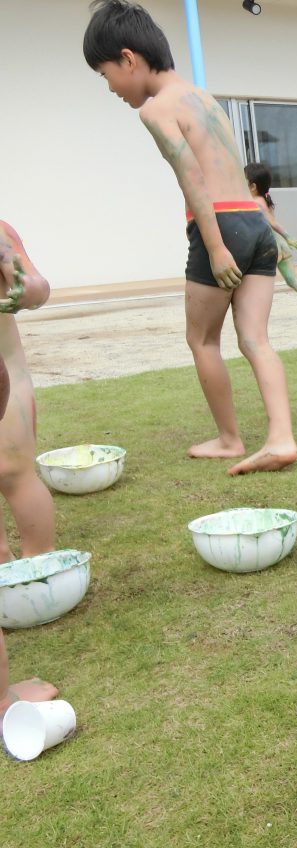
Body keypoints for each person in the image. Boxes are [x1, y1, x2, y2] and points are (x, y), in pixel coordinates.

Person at [84, 0, 297, 476]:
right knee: (255, 338)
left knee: (201, 339)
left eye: (106, 75)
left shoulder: (156, 110)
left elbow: (193, 180)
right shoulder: (203, 97)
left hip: (220, 225)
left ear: (128, 58)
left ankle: (229, 439)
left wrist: (218, 247)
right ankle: (281, 437)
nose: (112, 88)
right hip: (254, 221)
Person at [0, 222, 58, 719]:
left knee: (17, 476)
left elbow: (38, 288)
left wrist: (21, 284)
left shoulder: (0, 232)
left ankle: (37, 571)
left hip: (9, 386)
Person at [0, 221, 56, 562]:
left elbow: (37, 284)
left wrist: (27, 288)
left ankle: (41, 558)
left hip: (7, 377)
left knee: (13, 470)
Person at [244, 162, 297, 324]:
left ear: (252, 186)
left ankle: (254, 316)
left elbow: (272, 223)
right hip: (281, 247)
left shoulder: (256, 202)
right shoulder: (265, 200)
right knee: (292, 280)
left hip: (271, 247)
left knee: (255, 281)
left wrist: (288, 236)